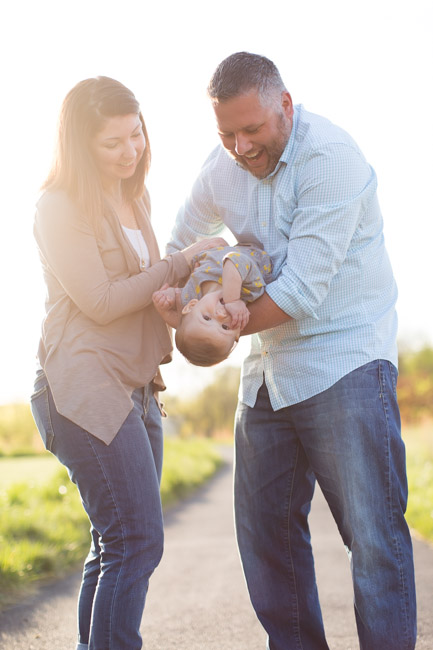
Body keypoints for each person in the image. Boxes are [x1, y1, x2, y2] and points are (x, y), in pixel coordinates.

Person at [167, 52, 417, 649]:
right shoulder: (219, 166)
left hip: (345, 358)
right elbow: (180, 241)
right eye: (227, 133)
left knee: (373, 538)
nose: (241, 146)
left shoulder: (331, 156)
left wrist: (219, 327)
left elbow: (302, 290)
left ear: (285, 104)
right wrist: (182, 298)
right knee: (265, 542)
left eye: (252, 129)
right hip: (266, 374)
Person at [30, 76, 225, 650]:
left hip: (137, 385)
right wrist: (178, 262)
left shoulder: (135, 197)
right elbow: (101, 300)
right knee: (137, 542)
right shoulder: (57, 206)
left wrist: (176, 302)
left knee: (113, 544)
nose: (130, 150)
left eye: (135, 134)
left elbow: (139, 295)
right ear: (80, 145)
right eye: (112, 142)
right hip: (81, 386)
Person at [152, 243, 272, 365]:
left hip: (209, 247)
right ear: (238, 333)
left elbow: (182, 322)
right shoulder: (249, 291)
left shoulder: (190, 298)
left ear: (191, 306)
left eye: (207, 318)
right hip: (252, 249)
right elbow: (234, 260)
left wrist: (165, 307)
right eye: (225, 327)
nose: (220, 316)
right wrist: (233, 300)